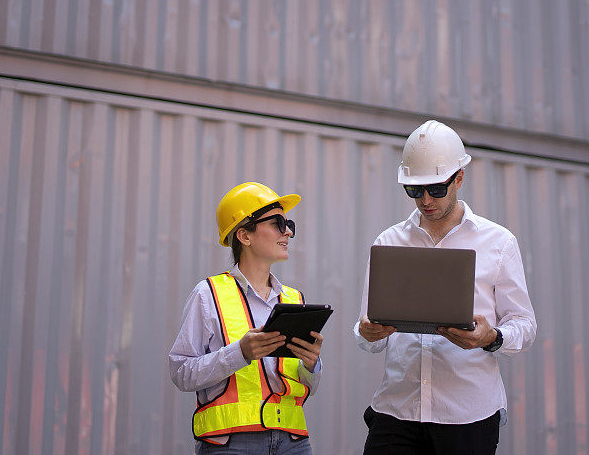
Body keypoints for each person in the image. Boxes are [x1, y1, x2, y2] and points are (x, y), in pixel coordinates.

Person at [355, 120, 536, 455]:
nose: (426, 200)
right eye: (415, 190)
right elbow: (367, 333)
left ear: (459, 178)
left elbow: (525, 327)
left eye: (436, 189)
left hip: (468, 416)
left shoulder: (498, 242)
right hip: (397, 410)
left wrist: (491, 338)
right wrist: (367, 333)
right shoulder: (389, 242)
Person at [169, 182, 323, 455]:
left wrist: (312, 365)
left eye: (288, 224)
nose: (287, 231)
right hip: (232, 445)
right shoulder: (208, 295)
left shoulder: (294, 300)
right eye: (277, 222)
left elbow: (306, 384)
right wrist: (239, 353)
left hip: (294, 443)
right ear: (244, 235)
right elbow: (181, 372)